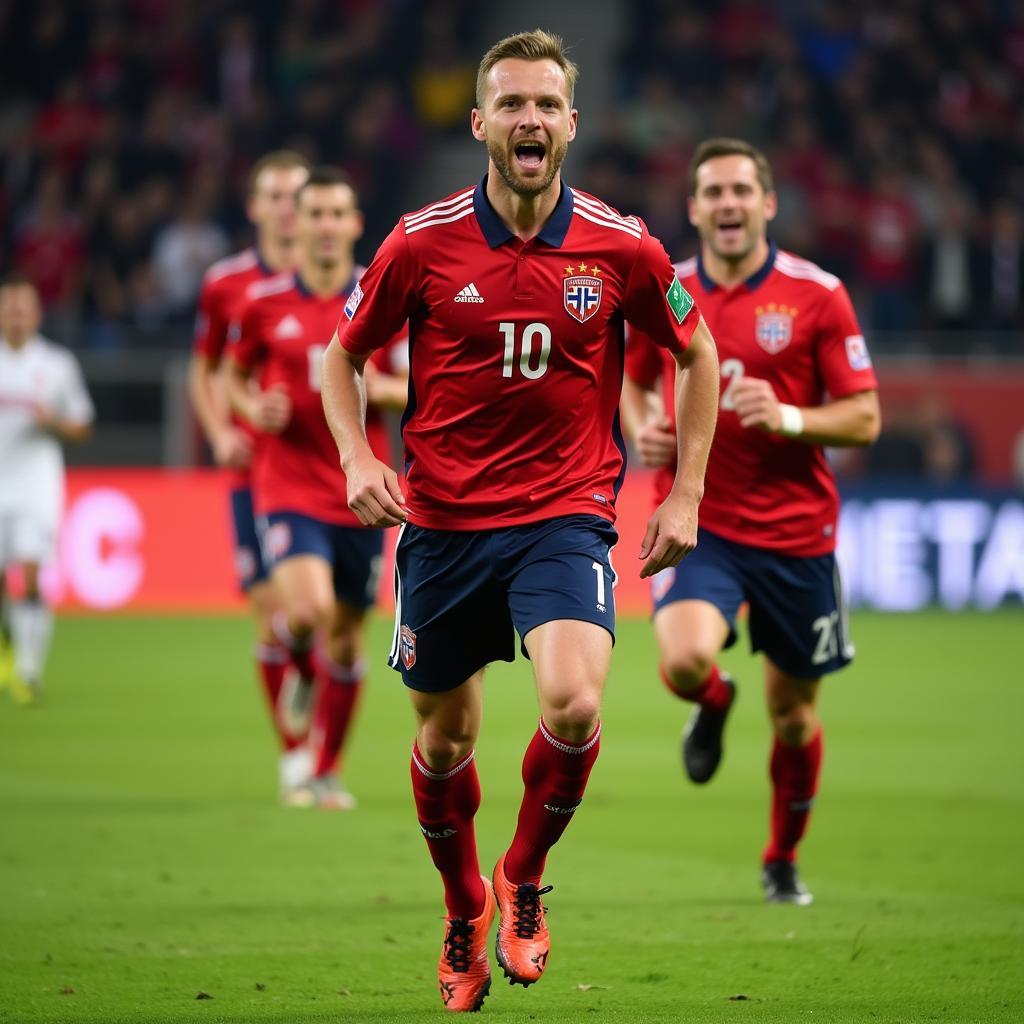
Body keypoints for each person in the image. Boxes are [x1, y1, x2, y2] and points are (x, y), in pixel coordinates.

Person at [320, 30, 719, 1014]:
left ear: (572, 124)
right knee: (446, 739)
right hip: (445, 524)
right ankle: (463, 900)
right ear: (480, 123)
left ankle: (524, 877)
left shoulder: (625, 245)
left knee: (575, 702)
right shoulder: (419, 240)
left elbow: (697, 353)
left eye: (546, 104)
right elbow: (341, 354)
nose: (529, 119)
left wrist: (685, 493)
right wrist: (360, 456)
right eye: (511, 104)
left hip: (564, 513)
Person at [621, 138, 881, 906]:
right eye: (713, 192)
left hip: (798, 534)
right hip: (697, 518)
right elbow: (634, 384)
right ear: (694, 208)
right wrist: (643, 427)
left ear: (768, 204)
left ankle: (781, 859)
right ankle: (712, 701)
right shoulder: (669, 291)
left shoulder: (819, 294)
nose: (728, 204)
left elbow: (865, 418)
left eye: (742, 190)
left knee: (795, 716)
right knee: (685, 663)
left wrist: (792, 418)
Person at [226, 166, 407, 810]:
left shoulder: (384, 296)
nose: (327, 226)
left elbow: (418, 384)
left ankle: (326, 768)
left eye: (339, 214)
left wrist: (376, 388)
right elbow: (231, 375)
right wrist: (251, 407)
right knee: (305, 613)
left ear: (356, 225)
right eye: (316, 214)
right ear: (294, 224)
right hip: (288, 482)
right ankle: (298, 683)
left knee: (351, 635)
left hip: (363, 487)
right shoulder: (262, 303)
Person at [188, 151, 311, 794]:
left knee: (308, 613)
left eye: (298, 195)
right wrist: (220, 429)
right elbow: (206, 368)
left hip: (314, 472)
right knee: (267, 608)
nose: (288, 208)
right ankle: (293, 752)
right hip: (252, 468)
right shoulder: (226, 284)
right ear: (256, 207)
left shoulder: (340, 280)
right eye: (276, 196)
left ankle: (307, 666)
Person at [0, 276, 94, 704]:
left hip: (36, 482)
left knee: (33, 572)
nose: (16, 315)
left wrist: (51, 421)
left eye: (23, 308)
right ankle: (8, 645)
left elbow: (83, 425)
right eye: (9, 307)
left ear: (37, 314)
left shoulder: (57, 365)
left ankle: (28, 668)